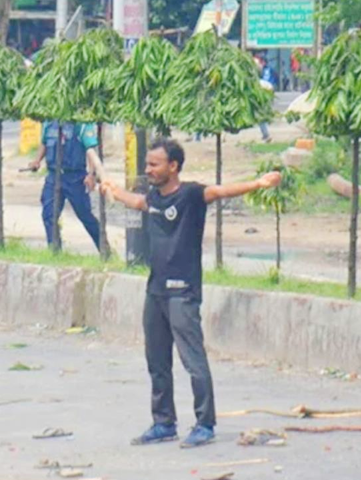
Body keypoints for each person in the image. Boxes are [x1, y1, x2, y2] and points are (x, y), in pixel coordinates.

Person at [97, 138, 281, 448]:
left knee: (193, 360)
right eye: (147, 164)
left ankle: (205, 424)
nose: (148, 170)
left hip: (183, 293)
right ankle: (163, 423)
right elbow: (136, 201)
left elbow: (220, 191)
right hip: (155, 292)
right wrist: (113, 191)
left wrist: (259, 183)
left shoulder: (192, 195)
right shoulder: (153, 198)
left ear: (173, 166)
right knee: (156, 360)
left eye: (154, 164)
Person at [28, 121, 101, 251]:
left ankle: (104, 249)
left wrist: (91, 175)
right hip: (53, 175)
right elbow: (45, 142)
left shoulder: (81, 123)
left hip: (75, 177)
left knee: (85, 215)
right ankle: (55, 250)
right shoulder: (49, 123)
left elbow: (90, 149)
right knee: (48, 214)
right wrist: (37, 160)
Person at [255, 52, 276, 143]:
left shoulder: (261, 69)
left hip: (263, 89)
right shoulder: (269, 69)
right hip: (268, 89)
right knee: (262, 113)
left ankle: (266, 135)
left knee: (260, 114)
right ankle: (265, 133)